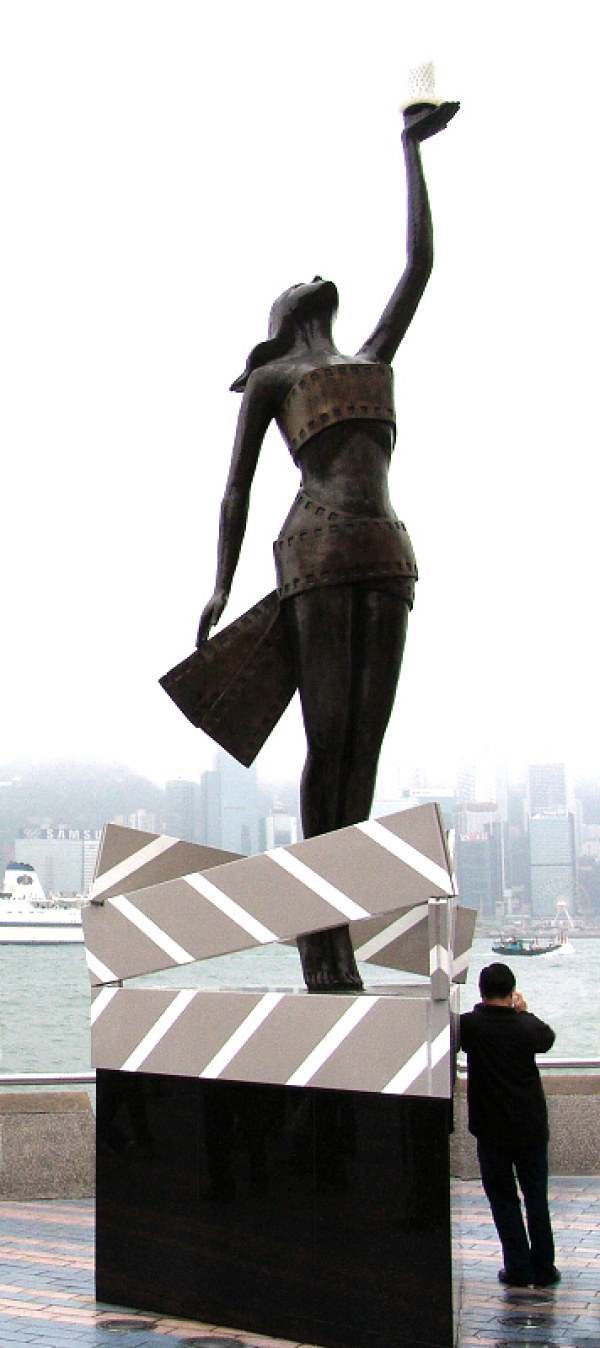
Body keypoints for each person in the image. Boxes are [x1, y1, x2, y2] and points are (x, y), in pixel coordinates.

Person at [198, 100, 459, 992]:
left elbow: (420, 265)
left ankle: (334, 919)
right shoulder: (273, 377)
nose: (314, 276)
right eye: (297, 281)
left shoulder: (373, 354)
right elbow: (236, 488)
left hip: (385, 555)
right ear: (280, 318)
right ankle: (322, 941)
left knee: (364, 750)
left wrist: (411, 151)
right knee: (330, 734)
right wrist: (219, 585)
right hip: (314, 554)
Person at [460, 962, 560, 1288]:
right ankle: (544, 1268)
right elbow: (547, 1038)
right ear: (512, 991)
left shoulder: (471, 1026)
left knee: (503, 1199)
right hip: (530, 1128)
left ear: (481, 992)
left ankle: (518, 1267)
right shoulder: (525, 1026)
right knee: (536, 1197)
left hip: (491, 1131)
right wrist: (523, 1011)